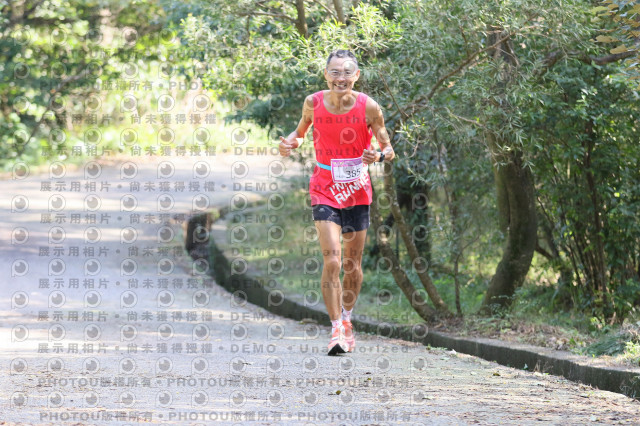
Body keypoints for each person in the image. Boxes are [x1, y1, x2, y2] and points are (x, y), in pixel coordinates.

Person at [279, 49, 395, 355]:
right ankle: (335, 330)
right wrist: (290, 142)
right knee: (332, 260)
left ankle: (347, 318)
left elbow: (388, 150)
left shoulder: (369, 106)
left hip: (356, 189)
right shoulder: (313, 103)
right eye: (334, 72)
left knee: (351, 265)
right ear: (325, 74)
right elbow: (300, 133)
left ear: (356, 76)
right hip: (324, 187)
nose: (340, 78)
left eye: (346, 73)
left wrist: (377, 156)